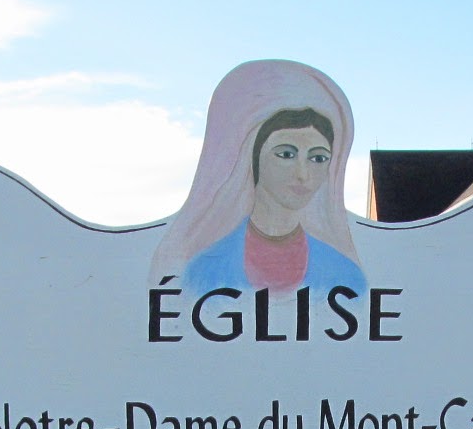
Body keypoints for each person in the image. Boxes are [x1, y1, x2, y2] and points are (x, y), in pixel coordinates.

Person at [150, 60, 365, 296]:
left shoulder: (346, 277)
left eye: (318, 158)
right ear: (253, 157)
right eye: (286, 154)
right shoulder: (202, 272)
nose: (303, 174)